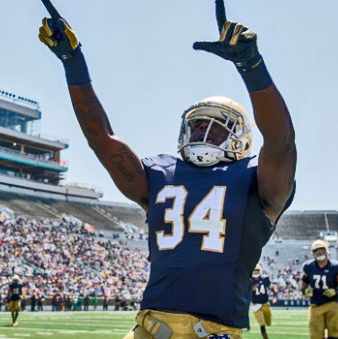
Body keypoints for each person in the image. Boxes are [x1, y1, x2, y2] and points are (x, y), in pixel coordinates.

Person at [38, 0, 296, 337]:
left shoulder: (256, 180)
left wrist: (252, 66)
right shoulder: (162, 173)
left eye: (216, 128)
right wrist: (73, 62)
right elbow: (101, 139)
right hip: (150, 327)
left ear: (239, 139)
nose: (203, 133)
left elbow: (281, 143)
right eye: (198, 126)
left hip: (213, 332)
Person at [301, 240, 338, 339]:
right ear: (313, 253)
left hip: (333, 303)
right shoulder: (308, 266)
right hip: (316, 304)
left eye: (322, 249)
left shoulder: (335, 266)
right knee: (316, 335)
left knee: (334, 333)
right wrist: (305, 291)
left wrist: (335, 291)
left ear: (327, 251)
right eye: (316, 250)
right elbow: (304, 283)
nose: (319, 252)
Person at [250, 264, 272, 339]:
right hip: (255, 305)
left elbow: (270, 286)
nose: (256, 272)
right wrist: (256, 283)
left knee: (268, 322)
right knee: (262, 324)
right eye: (254, 270)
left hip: (265, 303)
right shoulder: (249, 280)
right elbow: (250, 289)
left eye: (257, 270)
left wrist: (274, 293)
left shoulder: (265, 278)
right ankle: (265, 337)